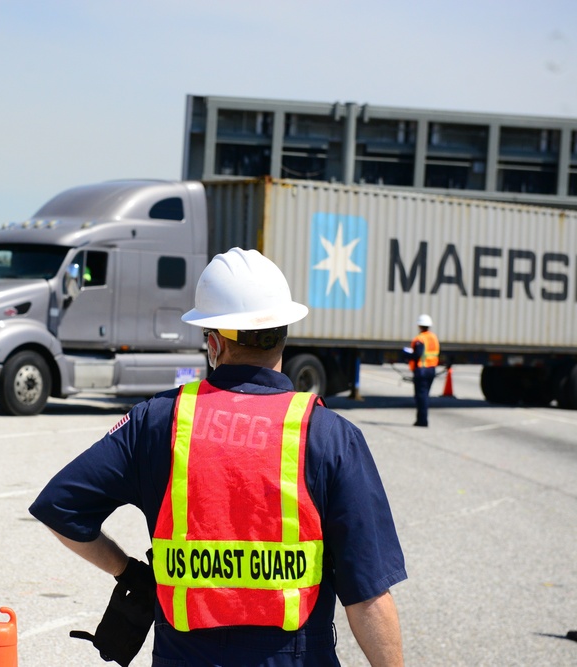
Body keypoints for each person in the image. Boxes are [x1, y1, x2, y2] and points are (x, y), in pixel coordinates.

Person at [30, 248, 406, 666]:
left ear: (213, 343)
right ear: (283, 333)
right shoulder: (329, 436)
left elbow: (59, 507)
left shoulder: (157, 421)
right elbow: (369, 596)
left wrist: (129, 572)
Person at [406, 314, 439, 427]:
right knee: (425, 395)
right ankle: (422, 419)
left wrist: (407, 354)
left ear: (420, 325)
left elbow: (417, 355)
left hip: (422, 370)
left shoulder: (420, 339)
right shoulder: (434, 337)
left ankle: (422, 421)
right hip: (431, 369)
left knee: (421, 396)